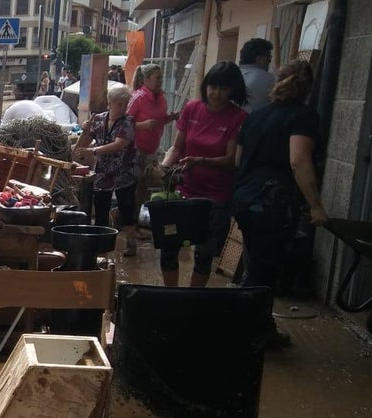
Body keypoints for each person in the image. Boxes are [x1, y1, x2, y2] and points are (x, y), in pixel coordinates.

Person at [232, 60, 327, 347]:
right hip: (272, 204)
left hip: (246, 199)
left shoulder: (256, 116)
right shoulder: (303, 117)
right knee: (263, 272)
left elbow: (238, 161)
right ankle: (244, 332)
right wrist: (316, 205)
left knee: (257, 265)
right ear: (308, 88)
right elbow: (298, 160)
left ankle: (256, 325)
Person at [159, 62, 248, 287]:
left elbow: (232, 161)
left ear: (233, 90)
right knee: (169, 247)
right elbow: (177, 147)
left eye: (223, 88)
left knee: (204, 254)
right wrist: (166, 166)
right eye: (212, 86)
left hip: (216, 197)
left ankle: (192, 297)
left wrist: (200, 161)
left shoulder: (238, 118)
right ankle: (171, 294)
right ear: (206, 86)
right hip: (184, 191)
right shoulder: (192, 108)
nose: (216, 93)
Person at [74, 84, 139, 256]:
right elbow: (82, 146)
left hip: (125, 172)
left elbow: (120, 144)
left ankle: (131, 243)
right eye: (119, 104)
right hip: (104, 173)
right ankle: (101, 244)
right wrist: (85, 130)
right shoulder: (99, 119)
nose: (123, 108)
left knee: (127, 208)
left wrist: (93, 151)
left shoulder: (128, 121)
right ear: (110, 102)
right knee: (101, 208)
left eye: (125, 104)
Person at [127, 64, 179, 221]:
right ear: (146, 79)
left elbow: (159, 120)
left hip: (151, 149)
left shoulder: (162, 99)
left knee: (143, 188)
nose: (160, 81)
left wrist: (170, 118)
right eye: (157, 78)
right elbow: (123, 123)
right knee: (133, 188)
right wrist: (142, 125)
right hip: (135, 149)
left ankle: (134, 222)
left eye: (161, 78)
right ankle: (129, 222)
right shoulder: (138, 98)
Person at [239, 38, 275, 113]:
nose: (270, 61)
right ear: (259, 59)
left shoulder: (232, 75)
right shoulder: (270, 79)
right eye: (269, 58)